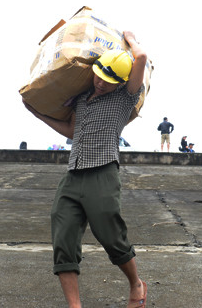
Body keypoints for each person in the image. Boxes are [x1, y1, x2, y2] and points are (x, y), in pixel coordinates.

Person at [23, 31, 147, 308]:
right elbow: (70, 130)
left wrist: (130, 40)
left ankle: (136, 284)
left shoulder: (124, 98)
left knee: (111, 236)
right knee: (63, 238)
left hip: (103, 172)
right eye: (99, 75)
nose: (102, 82)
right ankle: (74, 305)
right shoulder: (81, 99)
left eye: (109, 80)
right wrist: (37, 114)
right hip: (73, 173)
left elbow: (141, 58)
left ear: (120, 83)